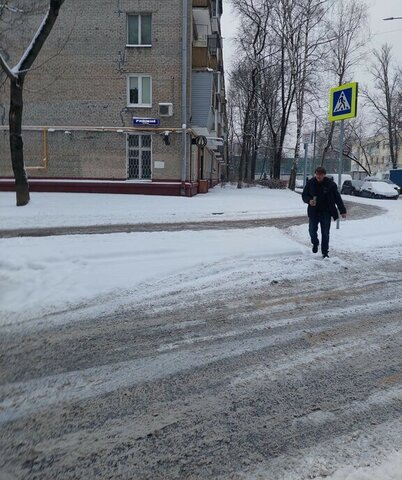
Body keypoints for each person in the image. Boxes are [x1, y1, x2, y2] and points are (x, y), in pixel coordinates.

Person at [302, 166, 347, 258]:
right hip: (314, 212)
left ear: (324, 175)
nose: (318, 176)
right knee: (312, 230)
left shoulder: (331, 185)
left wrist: (342, 210)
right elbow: (304, 195)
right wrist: (309, 200)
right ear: (315, 174)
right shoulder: (310, 183)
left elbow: (337, 198)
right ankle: (315, 243)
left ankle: (325, 252)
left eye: (321, 175)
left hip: (326, 212)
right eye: (317, 174)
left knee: (325, 232)